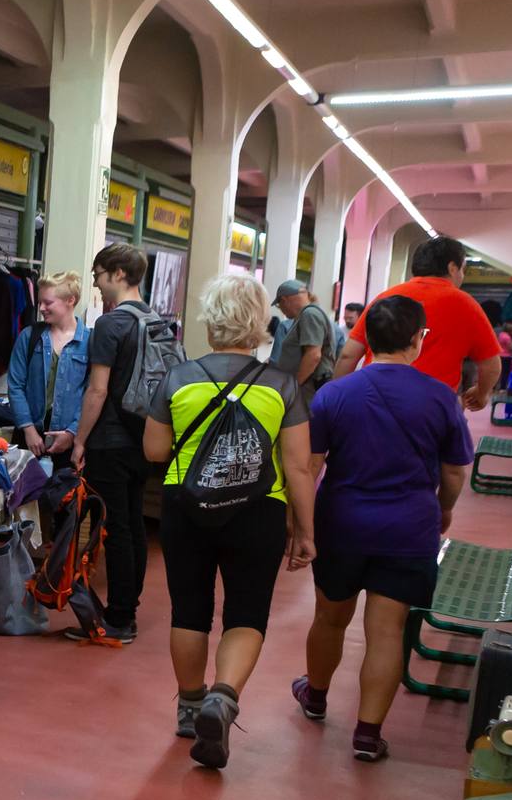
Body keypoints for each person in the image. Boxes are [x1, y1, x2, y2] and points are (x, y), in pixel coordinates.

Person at [143, 274, 315, 770]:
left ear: (211, 320)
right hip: (258, 511)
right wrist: (305, 531)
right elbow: (300, 466)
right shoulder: (282, 385)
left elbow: (155, 450)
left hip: (186, 507)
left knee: (189, 609)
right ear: (261, 323)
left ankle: (190, 705)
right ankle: (224, 695)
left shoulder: (179, 378)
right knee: (246, 612)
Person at [292, 297, 472, 762]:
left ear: (366, 338)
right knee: (387, 631)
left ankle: (315, 695)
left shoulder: (336, 393)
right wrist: (444, 510)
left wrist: (302, 527)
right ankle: (368, 735)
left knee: (330, 617)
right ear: (418, 339)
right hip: (408, 528)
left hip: (343, 524)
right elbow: (454, 473)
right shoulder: (440, 397)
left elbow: (310, 466)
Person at [70, 243, 157, 644]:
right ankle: (129, 605)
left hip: (109, 438)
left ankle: (121, 617)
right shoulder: (157, 320)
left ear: (118, 275)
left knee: (115, 528)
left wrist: (79, 440)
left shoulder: (110, 324)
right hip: (145, 437)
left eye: (99, 275)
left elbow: (97, 391)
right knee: (134, 523)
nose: (97, 284)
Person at [331, 237, 501, 410]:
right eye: (462, 269)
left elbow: (349, 354)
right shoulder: (466, 305)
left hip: (375, 402)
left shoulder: (386, 297)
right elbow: (491, 365)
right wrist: (481, 393)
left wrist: (336, 396)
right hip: (433, 409)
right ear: (452, 268)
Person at [6, 269, 90, 467]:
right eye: (40, 301)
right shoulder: (29, 336)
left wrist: (73, 432)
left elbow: (90, 393)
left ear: (71, 300)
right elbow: (15, 385)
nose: (41, 307)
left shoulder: (90, 341)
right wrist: (28, 429)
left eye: (48, 302)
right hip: (28, 438)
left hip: (68, 443)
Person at [271, 279, 336, 401]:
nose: (281, 310)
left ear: (284, 300)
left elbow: (313, 355)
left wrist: (294, 387)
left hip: (309, 388)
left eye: (279, 305)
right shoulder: (308, 314)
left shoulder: (309, 314)